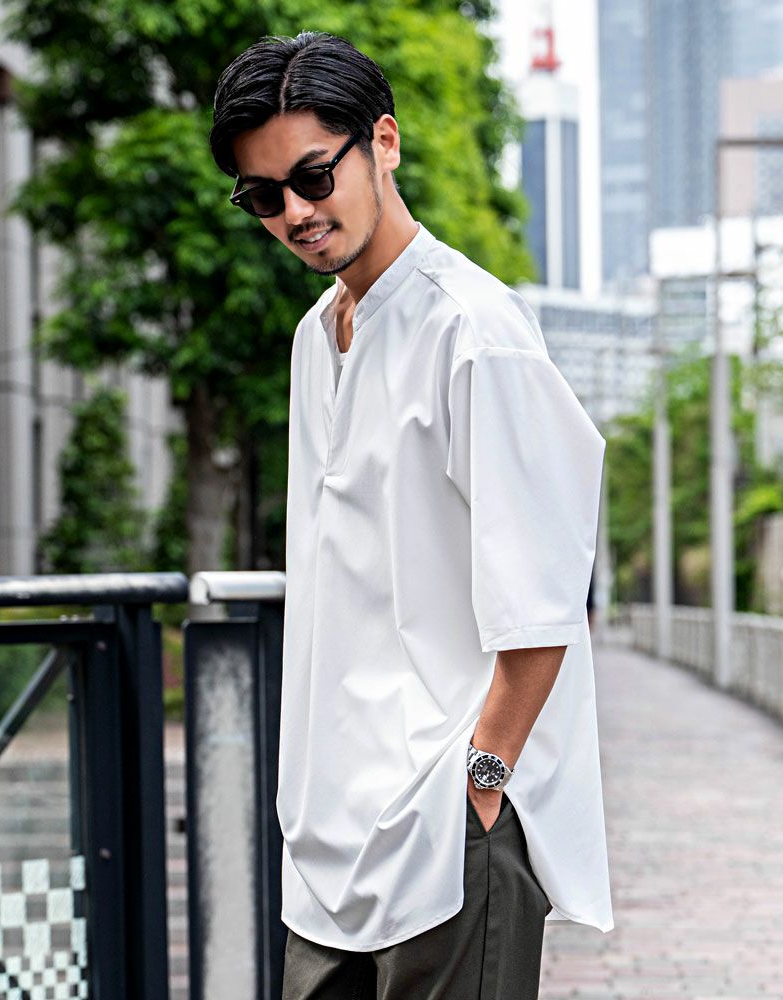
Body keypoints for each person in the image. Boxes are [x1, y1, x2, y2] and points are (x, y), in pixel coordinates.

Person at [209, 31, 613, 1000]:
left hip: (447, 827)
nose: (295, 213)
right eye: (263, 195)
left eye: (314, 176)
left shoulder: (475, 331)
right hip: (331, 836)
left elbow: (545, 599)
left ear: (383, 142)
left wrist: (480, 785)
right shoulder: (317, 336)